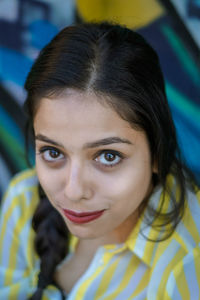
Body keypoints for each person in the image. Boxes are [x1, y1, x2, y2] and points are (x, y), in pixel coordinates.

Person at [0, 22, 200, 300]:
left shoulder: (187, 262)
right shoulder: (24, 201)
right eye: (53, 152)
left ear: (157, 152)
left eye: (108, 156)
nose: (73, 191)